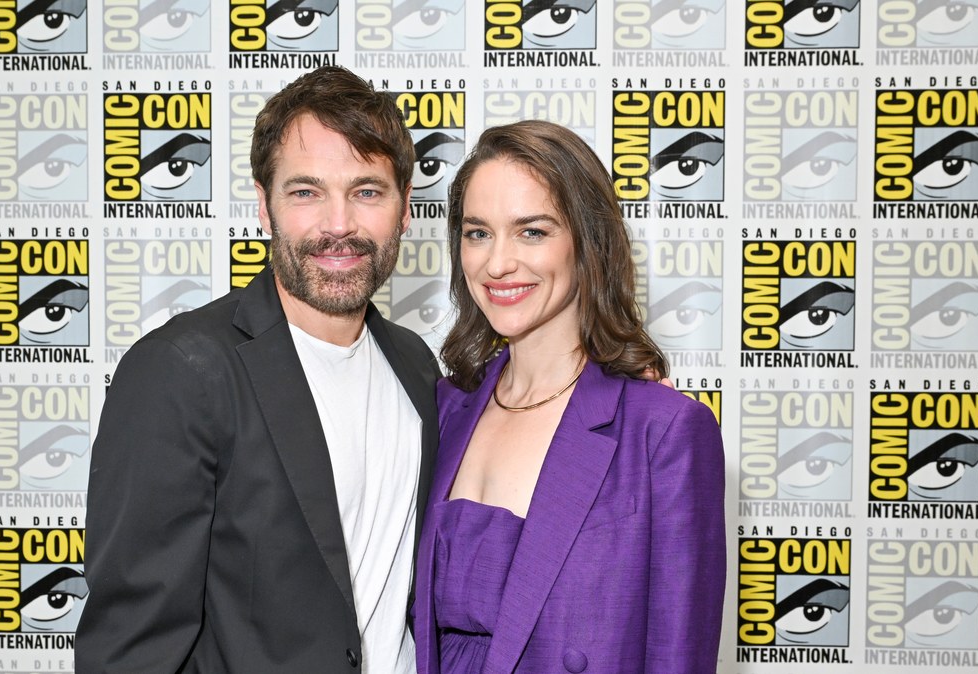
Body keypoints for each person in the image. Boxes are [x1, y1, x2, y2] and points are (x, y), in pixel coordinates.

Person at [77, 66, 440, 674]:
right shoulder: (182, 372)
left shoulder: (416, 366)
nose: (339, 223)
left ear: (405, 209)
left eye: (367, 191)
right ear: (264, 208)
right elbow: (130, 648)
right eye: (305, 192)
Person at [412, 120, 726, 674]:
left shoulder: (664, 432)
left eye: (532, 231)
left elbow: (679, 655)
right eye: (477, 232)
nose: (497, 263)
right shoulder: (442, 409)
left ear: (588, 242)